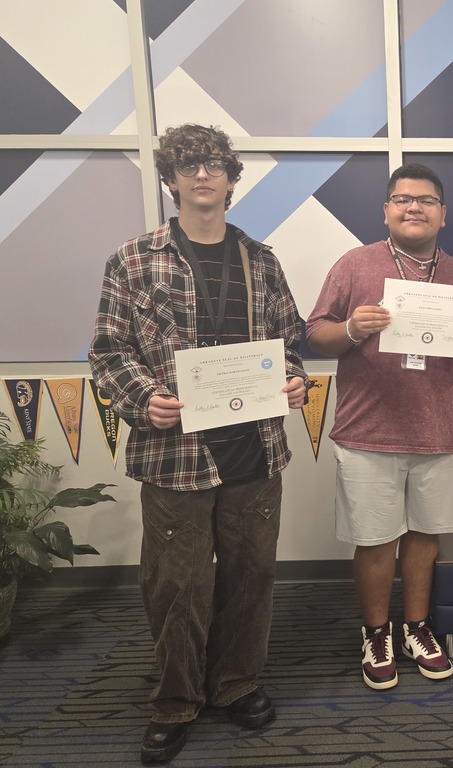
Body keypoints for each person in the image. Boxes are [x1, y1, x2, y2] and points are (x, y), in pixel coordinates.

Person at [89, 124, 308, 763]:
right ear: (171, 178)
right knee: (174, 582)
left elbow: (289, 339)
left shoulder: (261, 260)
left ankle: (236, 684)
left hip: (254, 447)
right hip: (174, 449)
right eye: (189, 165)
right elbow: (107, 349)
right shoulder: (133, 259)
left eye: (215, 164)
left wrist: (292, 378)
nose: (203, 174)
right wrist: (141, 400)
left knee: (251, 573)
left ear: (232, 179)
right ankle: (176, 699)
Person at [306, 163, 453, 691]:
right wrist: (349, 329)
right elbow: (315, 334)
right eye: (402, 199)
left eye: (426, 200)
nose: (414, 207)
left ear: (443, 213)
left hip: (438, 429)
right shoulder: (355, 264)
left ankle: (416, 626)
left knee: (423, 537)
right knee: (373, 540)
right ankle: (375, 631)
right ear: (386, 210)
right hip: (367, 430)